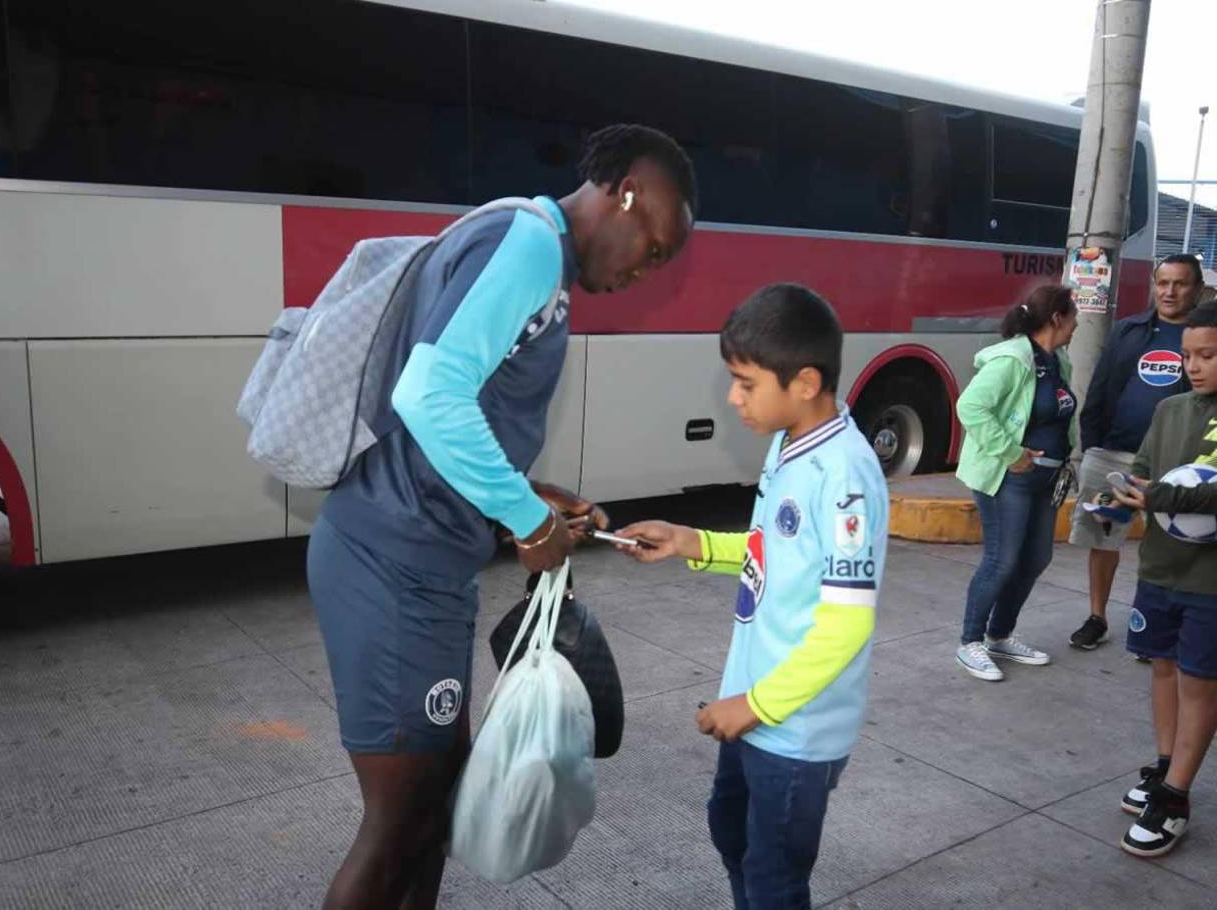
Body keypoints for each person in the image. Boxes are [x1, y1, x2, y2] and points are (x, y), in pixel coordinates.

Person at [306, 124, 697, 910]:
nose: (643, 272)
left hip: (424, 566)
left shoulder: (533, 253)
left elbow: (454, 418)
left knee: (431, 809)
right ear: (629, 195)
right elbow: (429, 396)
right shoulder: (527, 245)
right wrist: (527, 520)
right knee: (396, 827)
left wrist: (531, 495)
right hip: (391, 568)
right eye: (653, 247)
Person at [617, 284, 888, 910]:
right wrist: (692, 541)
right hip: (755, 705)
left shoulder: (843, 475)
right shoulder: (789, 443)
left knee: (774, 880)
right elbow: (775, 550)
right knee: (732, 834)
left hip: (793, 730)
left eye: (745, 383)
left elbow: (846, 626)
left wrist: (756, 706)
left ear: (805, 381)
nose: (733, 398)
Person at [1107, 300, 1217, 858]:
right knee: (1164, 669)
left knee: (1200, 682)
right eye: (1188, 355)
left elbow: (1194, 492)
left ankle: (1176, 797)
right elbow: (1145, 473)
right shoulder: (1170, 409)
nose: (1194, 365)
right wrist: (1120, 496)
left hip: (1210, 581)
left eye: (1208, 355)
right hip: (1160, 568)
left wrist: (1160, 496)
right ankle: (1165, 765)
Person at [1067, 254, 1202, 651]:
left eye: (1180, 283)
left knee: (1170, 544)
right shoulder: (1128, 331)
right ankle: (1097, 617)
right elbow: (1101, 387)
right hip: (1114, 455)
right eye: (1163, 283)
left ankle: (1159, 628)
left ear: (1195, 289)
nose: (1170, 291)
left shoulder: (1202, 337)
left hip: (1174, 465)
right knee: (1103, 538)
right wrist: (1092, 445)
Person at [954, 285, 1078, 681]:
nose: (1077, 325)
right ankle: (970, 642)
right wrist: (1012, 453)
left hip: (1047, 479)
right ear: (1057, 318)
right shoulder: (1012, 359)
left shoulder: (1059, 360)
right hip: (1009, 478)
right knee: (1001, 561)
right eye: (1074, 317)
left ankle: (999, 636)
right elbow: (970, 406)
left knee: (1036, 558)